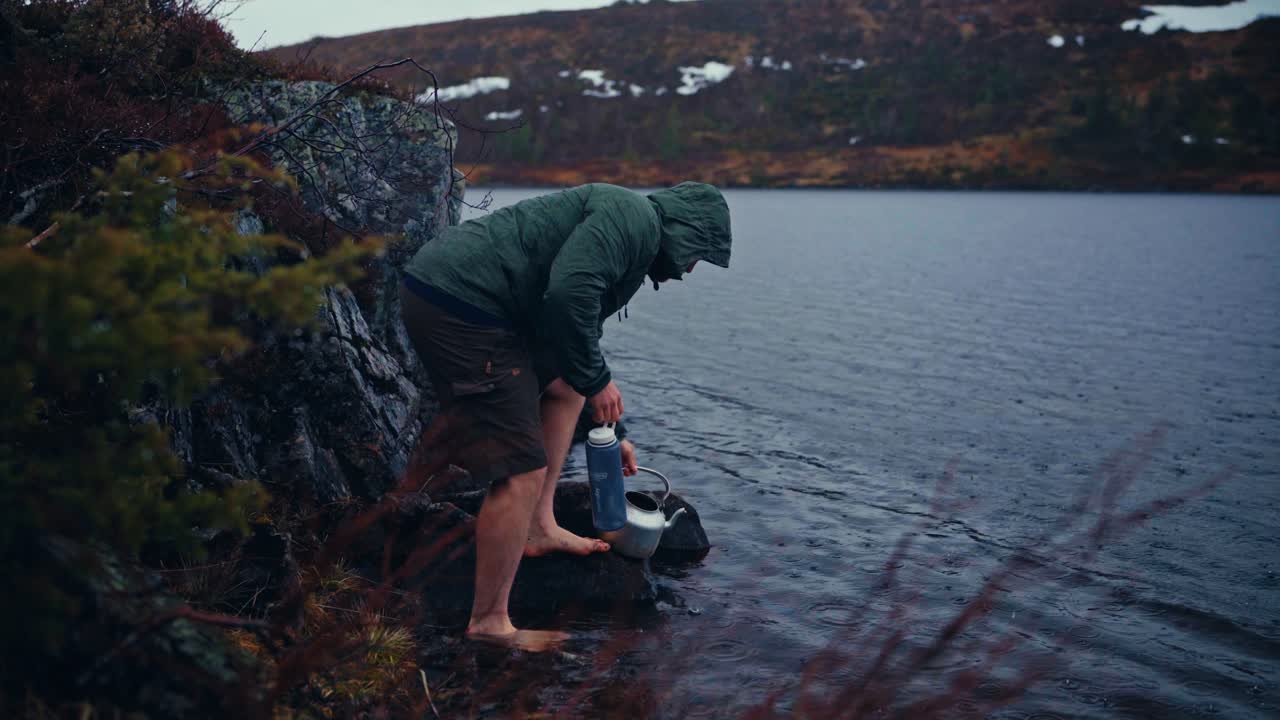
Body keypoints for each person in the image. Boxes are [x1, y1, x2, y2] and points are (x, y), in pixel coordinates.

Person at [398, 181, 732, 650]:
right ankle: (489, 623)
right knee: (521, 468)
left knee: (569, 384)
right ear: (685, 229)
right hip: (461, 304)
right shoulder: (633, 220)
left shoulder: (633, 238)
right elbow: (568, 294)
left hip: (476, 304)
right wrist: (599, 382)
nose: (691, 268)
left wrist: (607, 433)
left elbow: (573, 345)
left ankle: (538, 524)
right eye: (698, 253)